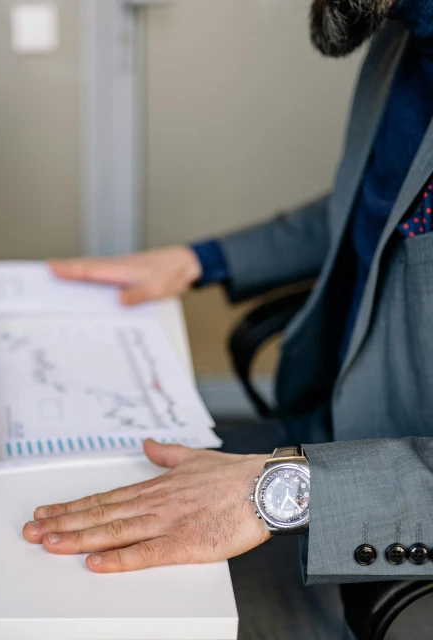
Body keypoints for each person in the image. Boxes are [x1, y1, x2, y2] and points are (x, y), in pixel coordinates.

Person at [23, 0, 433, 636]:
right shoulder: (404, 36)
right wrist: (198, 261)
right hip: (327, 426)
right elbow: (378, 201)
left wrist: (295, 488)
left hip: (392, 489)